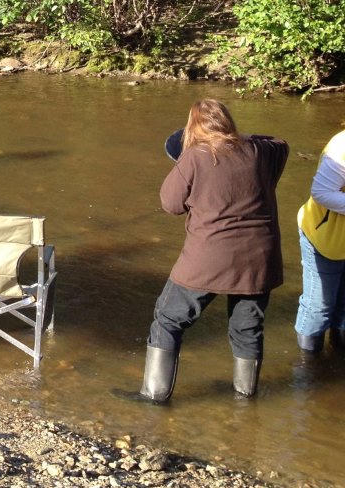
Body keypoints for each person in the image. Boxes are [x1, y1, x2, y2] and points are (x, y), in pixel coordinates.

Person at [140, 99, 288, 402]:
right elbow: (280, 143)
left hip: (208, 260)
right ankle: (245, 401)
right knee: (248, 328)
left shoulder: (194, 157)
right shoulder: (260, 151)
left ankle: (154, 396)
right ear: (228, 123)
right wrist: (237, 139)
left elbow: (171, 204)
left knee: (168, 319)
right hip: (258, 262)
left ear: (192, 128)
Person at [293, 127, 345, 356]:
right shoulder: (341, 147)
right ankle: (308, 366)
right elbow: (321, 192)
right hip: (324, 237)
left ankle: (336, 361)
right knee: (319, 306)